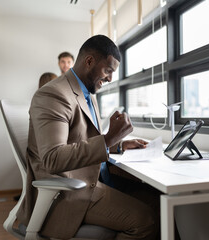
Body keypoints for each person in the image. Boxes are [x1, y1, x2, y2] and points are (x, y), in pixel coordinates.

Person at [17, 35, 159, 239]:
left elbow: (79, 139)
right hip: (70, 190)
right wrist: (108, 139)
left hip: (94, 179)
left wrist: (118, 145)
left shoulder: (88, 94)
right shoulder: (53, 94)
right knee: (147, 220)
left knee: (159, 199)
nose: (110, 78)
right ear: (90, 61)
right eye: (108, 70)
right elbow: (53, 158)